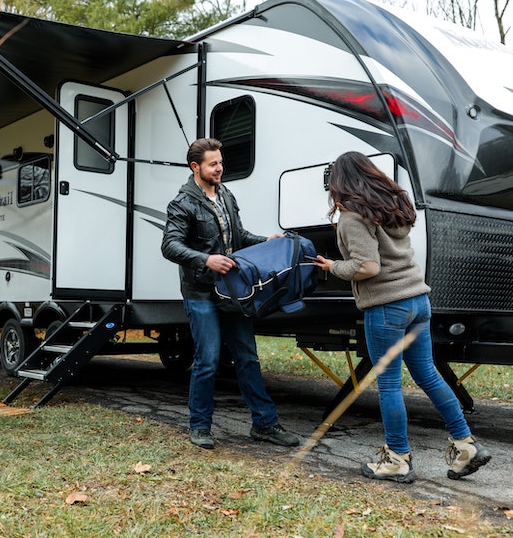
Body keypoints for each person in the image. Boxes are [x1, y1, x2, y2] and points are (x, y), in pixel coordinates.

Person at [313, 151, 491, 482]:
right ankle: (465, 445)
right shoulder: (392, 206)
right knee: (428, 375)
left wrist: (333, 266)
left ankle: (397, 458)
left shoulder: (354, 216)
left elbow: (367, 266)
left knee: (390, 384)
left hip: (386, 306)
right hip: (417, 301)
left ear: (341, 181)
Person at [161, 138, 300, 450]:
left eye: (220, 162)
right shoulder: (182, 203)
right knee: (208, 360)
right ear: (195, 167)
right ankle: (199, 426)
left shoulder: (226, 195)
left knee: (247, 357)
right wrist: (205, 259)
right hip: (201, 293)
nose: (220, 168)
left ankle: (264, 424)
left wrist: (269, 240)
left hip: (233, 292)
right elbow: (169, 245)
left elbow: (239, 237)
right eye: (213, 164)